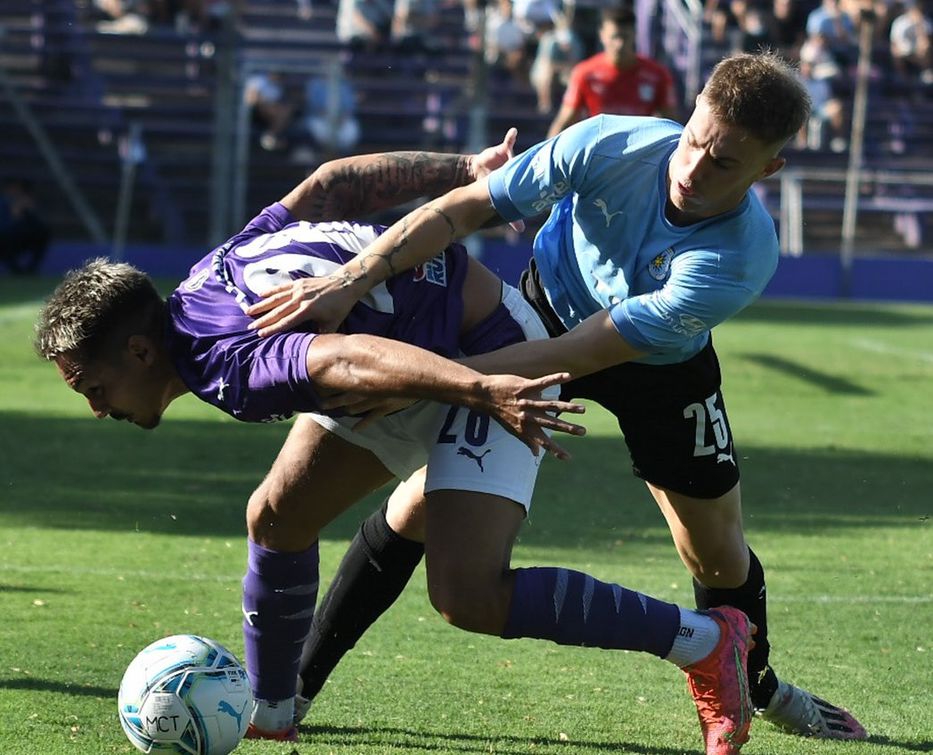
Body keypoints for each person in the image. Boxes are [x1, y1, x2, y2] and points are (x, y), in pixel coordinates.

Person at [35, 141, 756, 754]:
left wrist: (487, 391)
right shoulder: (203, 280)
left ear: (137, 350)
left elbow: (348, 357)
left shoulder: (227, 366)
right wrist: (460, 166)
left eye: (91, 387)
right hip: (403, 363)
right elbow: (328, 186)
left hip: (481, 353)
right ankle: (274, 712)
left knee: (466, 595)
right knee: (277, 515)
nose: (96, 409)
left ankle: (703, 639)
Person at [245, 52, 868, 743]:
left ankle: (752, 687)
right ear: (689, 111)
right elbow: (464, 208)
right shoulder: (607, 142)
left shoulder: (738, 258)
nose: (693, 169)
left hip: (654, 367)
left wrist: (430, 380)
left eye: (724, 163)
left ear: (766, 171)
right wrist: (356, 278)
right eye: (694, 141)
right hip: (537, 314)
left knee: (715, 553)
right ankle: (295, 684)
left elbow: (585, 353)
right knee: (420, 500)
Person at [546, 6, 678, 137]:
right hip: (599, 151)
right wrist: (545, 154)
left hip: (640, 152)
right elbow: (564, 120)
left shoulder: (657, 75)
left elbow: (672, 125)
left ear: (635, 35)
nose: (619, 44)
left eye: (625, 37)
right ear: (602, 36)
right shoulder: (585, 73)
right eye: (614, 37)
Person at [0, 179, 51, 275]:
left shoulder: (25, 203)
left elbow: (37, 226)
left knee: (42, 234)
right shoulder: (3, 203)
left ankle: (31, 269)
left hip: (19, 237)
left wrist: (29, 211)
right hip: (5, 239)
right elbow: (4, 226)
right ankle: (16, 269)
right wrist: (15, 214)